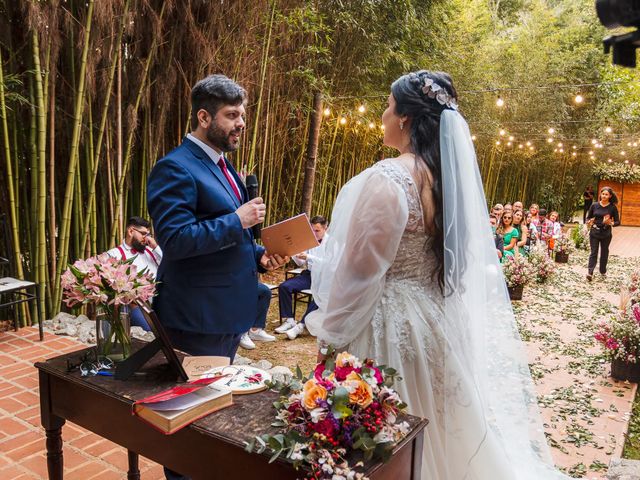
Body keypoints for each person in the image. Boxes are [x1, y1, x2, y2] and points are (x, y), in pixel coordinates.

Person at [306, 70, 569, 480]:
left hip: (385, 325)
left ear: (406, 118)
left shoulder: (389, 179)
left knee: (376, 440)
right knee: (438, 433)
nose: (382, 114)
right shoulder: (446, 181)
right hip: (431, 322)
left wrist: (331, 337)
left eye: (388, 106)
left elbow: (359, 275)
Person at [147, 74, 287, 480]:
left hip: (225, 314)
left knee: (211, 410)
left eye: (242, 114)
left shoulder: (225, 167)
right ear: (204, 117)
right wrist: (237, 219)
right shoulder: (175, 168)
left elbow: (232, 241)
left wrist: (261, 256)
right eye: (232, 115)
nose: (241, 123)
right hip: (196, 318)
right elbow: (174, 240)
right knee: (187, 417)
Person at [274, 215, 328, 340]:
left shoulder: (331, 243)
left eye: (317, 230)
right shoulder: (308, 240)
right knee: (284, 287)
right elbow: (301, 264)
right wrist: (294, 254)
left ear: (326, 228)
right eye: (312, 230)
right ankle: (289, 320)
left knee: (321, 295)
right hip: (309, 275)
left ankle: (300, 326)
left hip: (324, 277)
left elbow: (329, 263)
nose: (314, 233)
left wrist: (309, 257)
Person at [106, 216, 162, 330]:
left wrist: (156, 247)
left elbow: (169, 265)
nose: (146, 238)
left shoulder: (152, 251)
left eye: (148, 234)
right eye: (143, 234)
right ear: (131, 231)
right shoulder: (114, 254)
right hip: (137, 307)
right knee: (154, 331)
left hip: (162, 303)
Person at [585, 186, 620, 281]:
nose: (604, 196)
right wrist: (589, 221)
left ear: (610, 196)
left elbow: (618, 222)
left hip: (606, 233)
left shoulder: (612, 207)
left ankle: (602, 271)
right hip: (594, 232)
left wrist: (611, 223)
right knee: (593, 252)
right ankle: (590, 272)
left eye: (606, 194)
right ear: (600, 194)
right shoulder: (594, 205)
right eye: (602, 194)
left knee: (604, 253)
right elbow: (588, 218)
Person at [238, 282, 276, 349]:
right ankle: (241, 333)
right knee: (246, 292)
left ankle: (255, 330)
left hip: (246, 279)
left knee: (265, 291)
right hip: (230, 280)